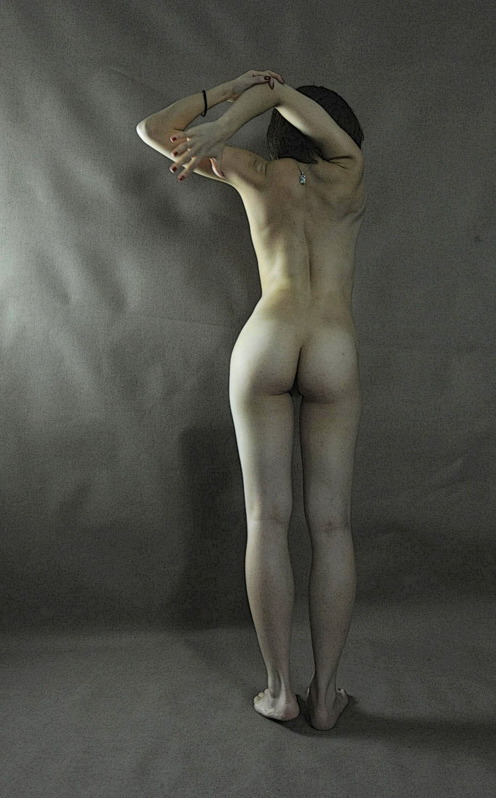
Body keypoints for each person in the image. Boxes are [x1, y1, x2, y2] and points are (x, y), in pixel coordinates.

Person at [136, 70, 366, 730]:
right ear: (337, 129)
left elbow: (153, 129)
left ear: (277, 130)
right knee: (331, 525)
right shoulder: (349, 172)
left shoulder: (252, 171)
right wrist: (264, 95)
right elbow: (292, 104)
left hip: (267, 338)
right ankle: (325, 698)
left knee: (266, 518)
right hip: (331, 343)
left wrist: (227, 99)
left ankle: (279, 691)